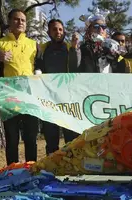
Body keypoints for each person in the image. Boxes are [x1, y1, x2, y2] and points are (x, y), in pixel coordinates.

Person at [0, 9, 39, 165]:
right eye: (16, 19)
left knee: (30, 136)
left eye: (23, 20)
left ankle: (32, 169)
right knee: (12, 137)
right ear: (9, 22)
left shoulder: (33, 44)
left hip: (30, 95)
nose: (20, 22)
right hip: (9, 95)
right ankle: (12, 171)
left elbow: (40, 65)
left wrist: (38, 72)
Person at [35, 19, 81, 155]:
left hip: (68, 98)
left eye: (60, 29)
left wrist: (74, 48)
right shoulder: (42, 49)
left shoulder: (69, 47)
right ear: (49, 32)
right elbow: (38, 67)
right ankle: (51, 169)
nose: (58, 32)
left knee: (71, 137)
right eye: (54, 29)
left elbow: (75, 68)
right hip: (49, 98)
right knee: (51, 137)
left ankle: (71, 168)